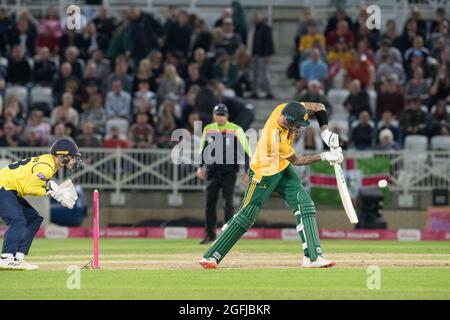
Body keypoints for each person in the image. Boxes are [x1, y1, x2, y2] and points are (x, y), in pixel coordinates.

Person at [199, 101, 343, 269]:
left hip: (282, 167)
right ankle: (211, 256)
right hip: (264, 173)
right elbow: (298, 160)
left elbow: (319, 107)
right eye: (297, 126)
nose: (299, 129)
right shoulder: (274, 137)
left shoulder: (286, 108)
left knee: (305, 204)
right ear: (289, 122)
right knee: (247, 215)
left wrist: (325, 132)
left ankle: (313, 257)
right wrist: (325, 156)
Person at [0, 139, 81, 270]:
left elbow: (35, 180)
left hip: (9, 188)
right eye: (72, 157)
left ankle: (18, 258)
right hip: (3, 187)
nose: (74, 160)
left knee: (34, 219)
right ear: (61, 155)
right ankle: (6, 257)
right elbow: (29, 188)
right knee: (18, 220)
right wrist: (50, 192)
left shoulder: (49, 163)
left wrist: (49, 187)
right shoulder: (47, 166)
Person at [197, 104, 251, 244]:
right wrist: (200, 166)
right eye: (218, 114)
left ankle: (227, 236)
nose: (220, 117)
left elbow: (246, 151)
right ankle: (210, 235)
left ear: (227, 116)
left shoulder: (236, 129)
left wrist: (247, 171)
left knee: (228, 203)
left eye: (223, 115)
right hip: (212, 170)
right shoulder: (208, 129)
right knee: (210, 204)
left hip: (229, 171)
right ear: (214, 116)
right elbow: (202, 149)